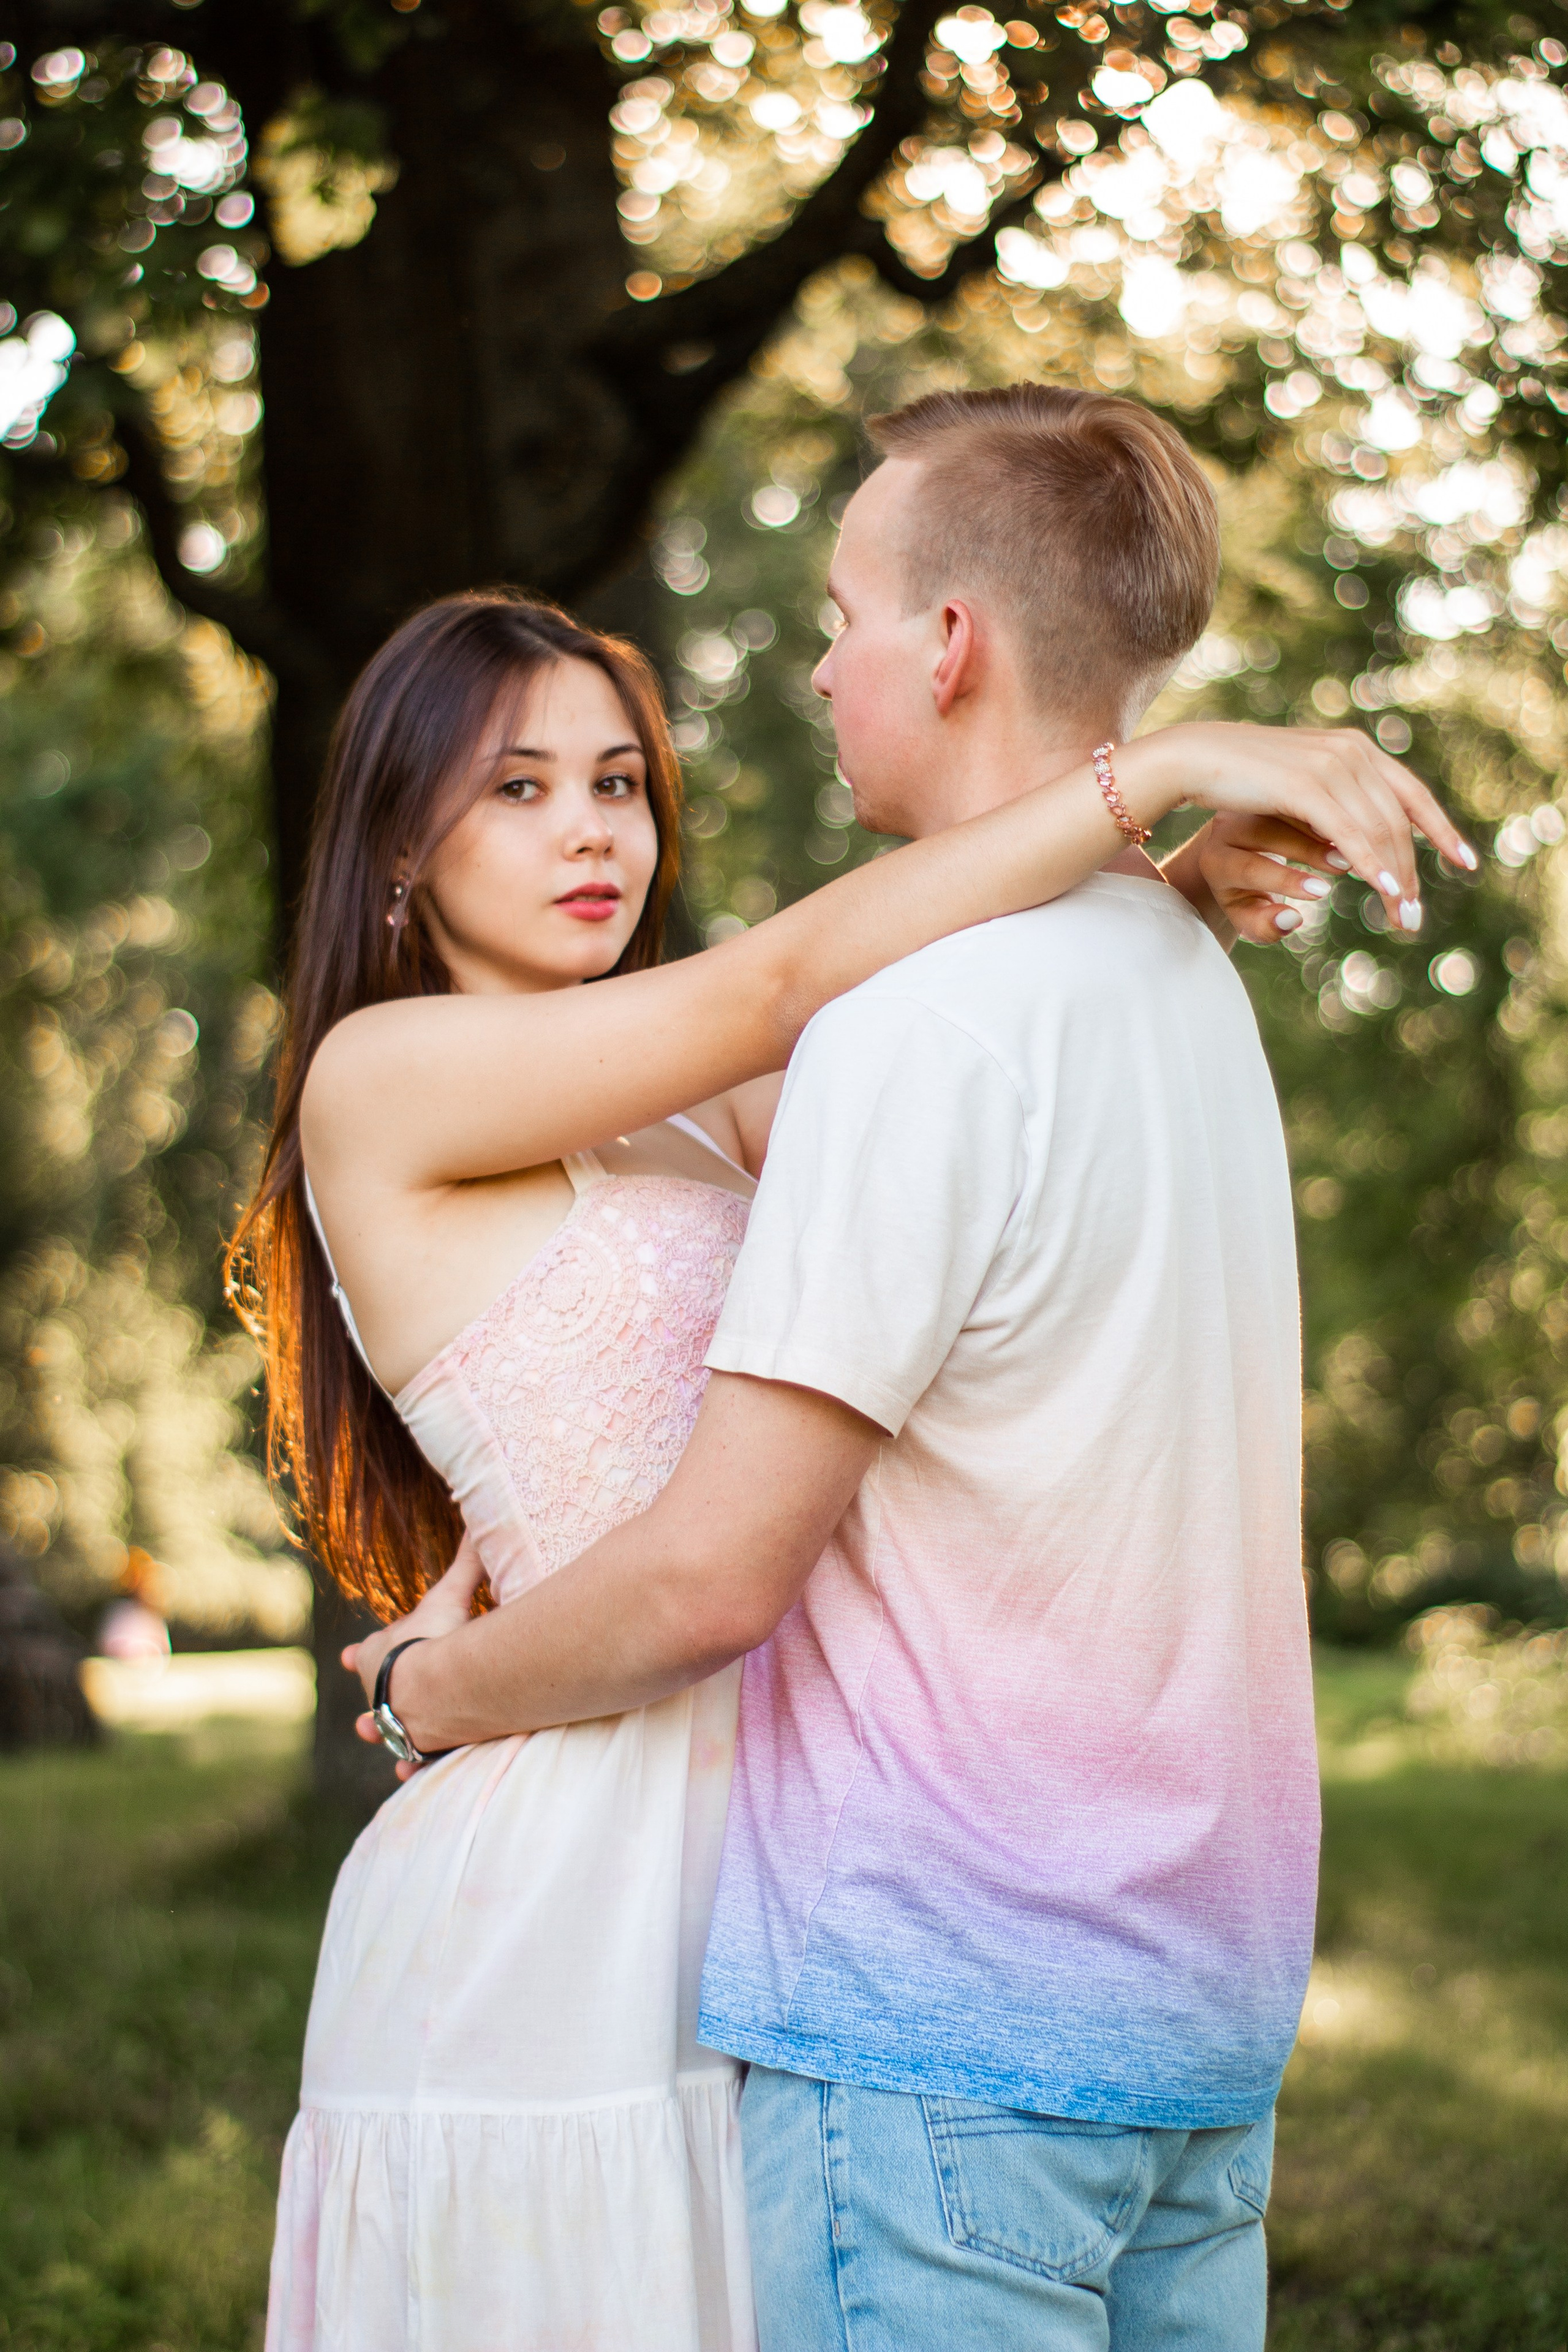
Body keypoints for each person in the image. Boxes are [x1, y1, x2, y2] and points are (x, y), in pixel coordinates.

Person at [348, 389, 1474, 2352]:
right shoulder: (391, 1076)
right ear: (393, 836)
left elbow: (942, 1097)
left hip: (831, 1879)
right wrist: (1158, 774)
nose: (596, 823)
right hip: (616, 1850)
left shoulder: (766, 1084)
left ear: (942, 642)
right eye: (518, 787)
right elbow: (803, 980)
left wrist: (1143, 881)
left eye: (616, 778)